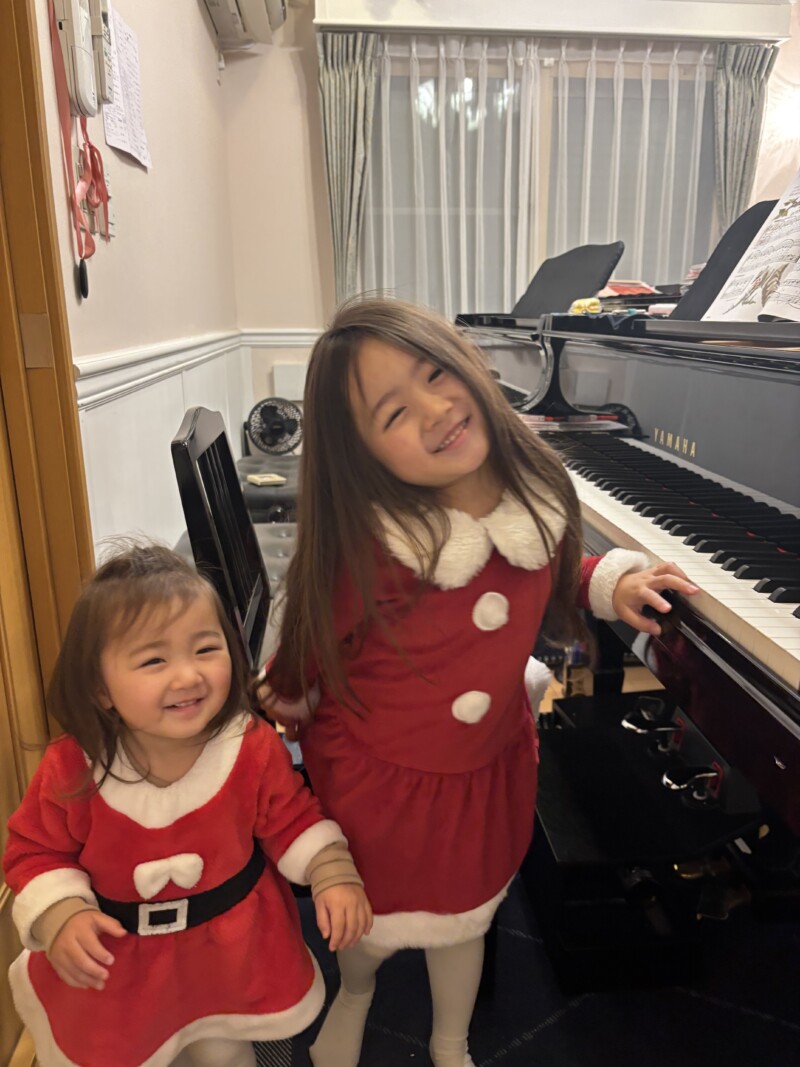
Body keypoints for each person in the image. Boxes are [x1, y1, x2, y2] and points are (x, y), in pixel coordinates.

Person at [258, 297, 700, 1067]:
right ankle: (356, 993)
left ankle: (450, 1040)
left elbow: (553, 568)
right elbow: (308, 648)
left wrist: (608, 583)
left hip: (483, 767)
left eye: (436, 373)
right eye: (396, 411)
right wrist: (283, 702)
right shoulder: (369, 549)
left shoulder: (530, 494)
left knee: (467, 912)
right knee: (370, 924)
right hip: (381, 779)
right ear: (364, 454)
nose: (435, 409)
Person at [3, 543, 373, 1067]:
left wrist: (332, 871)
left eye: (205, 649)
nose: (188, 676)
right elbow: (35, 851)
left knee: (225, 1048)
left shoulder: (248, 746)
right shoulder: (73, 768)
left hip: (230, 952)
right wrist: (61, 913)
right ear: (100, 688)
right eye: (154, 660)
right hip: (122, 967)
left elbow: (293, 818)